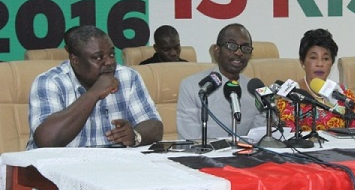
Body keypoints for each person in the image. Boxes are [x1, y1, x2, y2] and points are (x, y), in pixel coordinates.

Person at [27, 25, 163, 149]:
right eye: (98, 57)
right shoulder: (50, 82)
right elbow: (47, 141)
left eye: (111, 54)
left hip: (110, 169)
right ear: (75, 60)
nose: (109, 62)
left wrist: (134, 136)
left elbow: (155, 126)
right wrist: (94, 93)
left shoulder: (128, 77)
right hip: (58, 170)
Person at [176, 23, 266, 140]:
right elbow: (190, 139)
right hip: (205, 156)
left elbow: (258, 137)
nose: (239, 53)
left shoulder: (255, 88)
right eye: (231, 46)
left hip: (245, 156)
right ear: (217, 51)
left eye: (245, 48)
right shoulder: (192, 86)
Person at [277, 29, 355, 131]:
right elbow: (286, 135)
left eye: (326, 59)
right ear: (302, 62)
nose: (320, 64)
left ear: (331, 63)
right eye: (313, 58)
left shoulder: (341, 92)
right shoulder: (290, 95)